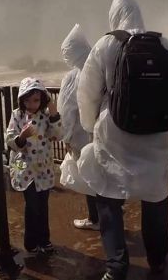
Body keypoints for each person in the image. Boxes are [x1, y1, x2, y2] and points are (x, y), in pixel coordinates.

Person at [77, 0, 168, 280]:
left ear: (114, 16)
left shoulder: (105, 45)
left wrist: (90, 126)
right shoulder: (164, 44)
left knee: (108, 195)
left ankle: (116, 266)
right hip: (156, 133)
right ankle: (157, 260)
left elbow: (86, 92)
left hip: (114, 132)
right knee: (155, 196)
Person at [6, 77, 62, 255]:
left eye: (36, 100)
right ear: (21, 99)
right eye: (27, 100)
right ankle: (31, 242)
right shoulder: (17, 115)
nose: (32, 104)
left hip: (43, 169)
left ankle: (44, 241)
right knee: (32, 205)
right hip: (25, 170)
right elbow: (9, 139)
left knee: (43, 205)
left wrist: (54, 113)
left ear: (42, 100)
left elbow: (58, 134)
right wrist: (21, 137)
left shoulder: (46, 116)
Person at [58, 23, 98, 230]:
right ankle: (110, 210)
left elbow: (66, 112)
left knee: (88, 175)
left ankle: (95, 219)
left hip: (82, 136)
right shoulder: (102, 66)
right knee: (103, 173)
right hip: (105, 134)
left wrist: (66, 137)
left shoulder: (72, 77)